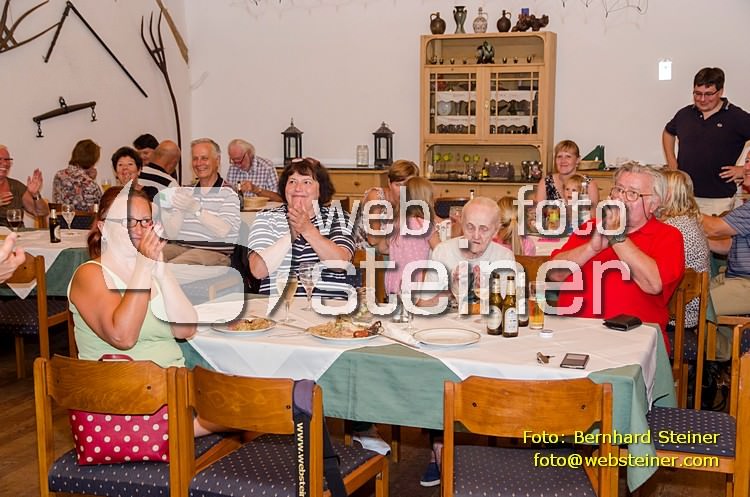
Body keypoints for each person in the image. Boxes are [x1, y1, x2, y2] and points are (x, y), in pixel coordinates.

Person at [67, 186, 216, 436]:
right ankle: (175, 433)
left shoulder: (151, 269)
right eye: (127, 222)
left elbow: (186, 329)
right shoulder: (89, 274)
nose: (138, 229)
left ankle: (180, 431)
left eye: (145, 221)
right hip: (124, 401)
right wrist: (143, 268)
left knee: (249, 402)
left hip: (172, 392)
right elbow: (123, 336)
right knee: (244, 410)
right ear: (103, 228)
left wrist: (163, 273)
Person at [549, 163, 685, 353]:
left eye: (632, 193)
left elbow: (653, 284)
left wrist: (617, 236)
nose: (621, 198)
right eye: (618, 190)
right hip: (570, 334)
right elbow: (554, 274)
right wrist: (591, 248)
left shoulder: (668, 236)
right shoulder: (590, 227)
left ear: (653, 204)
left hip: (631, 340)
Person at [247, 157, 355, 298]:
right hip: (278, 305)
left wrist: (307, 229)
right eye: (292, 181)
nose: (298, 188)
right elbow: (258, 270)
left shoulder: (338, 217)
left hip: (328, 305)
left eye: (306, 182)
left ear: (320, 189)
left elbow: (341, 264)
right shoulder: (267, 218)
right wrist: (291, 234)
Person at [662, 67, 750, 215]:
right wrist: (672, 162)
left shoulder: (736, 117)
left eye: (708, 94)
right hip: (683, 195)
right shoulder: (684, 114)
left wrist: (744, 170)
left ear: (720, 92)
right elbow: (668, 133)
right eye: (697, 93)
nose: (702, 99)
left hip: (717, 199)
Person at [701, 150, 750, 359]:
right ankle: (727, 358)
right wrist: (699, 241)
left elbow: (714, 228)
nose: (746, 167)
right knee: (692, 296)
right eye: (747, 161)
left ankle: (720, 358)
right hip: (734, 278)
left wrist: (682, 208)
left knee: (692, 306)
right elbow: (729, 245)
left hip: (746, 284)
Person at [159, 138, 240, 266]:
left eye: (204, 158)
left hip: (213, 253)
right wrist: (165, 209)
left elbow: (223, 230)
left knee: (172, 268)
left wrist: (196, 209)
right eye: (195, 159)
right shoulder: (187, 191)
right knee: (145, 257)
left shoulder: (229, 193)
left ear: (217, 160)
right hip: (182, 248)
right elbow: (172, 234)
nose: (199, 163)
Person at [657, 170, 710, 335]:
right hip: (689, 311)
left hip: (678, 315)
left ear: (668, 194)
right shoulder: (688, 220)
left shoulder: (673, 229)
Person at [368, 176, 440, 297]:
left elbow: (382, 248)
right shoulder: (426, 226)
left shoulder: (395, 224)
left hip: (394, 282)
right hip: (417, 283)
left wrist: (399, 248)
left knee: (398, 307)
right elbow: (440, 251)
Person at [354, 159, 420, 249]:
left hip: (394, 251)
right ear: (389, 182)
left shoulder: (413, 199)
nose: (403, 190)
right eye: (398, 185)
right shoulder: (376, 196)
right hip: (366, 253)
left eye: (407, 185)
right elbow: (373, 240)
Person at [534, 140, 599, 206]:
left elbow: (593, 211)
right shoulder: (546, 182)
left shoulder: (588, 184)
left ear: (577, 160)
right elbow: (537, 210)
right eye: (559, 156)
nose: (563, 161)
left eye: (568, 156)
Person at [0, 144, 49, 223]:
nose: (5, 163)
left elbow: (42, 213)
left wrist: (35, 194)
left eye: (7, 160)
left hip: (16, 230)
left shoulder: (16, 186)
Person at [53, 139, 103, 211]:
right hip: (85, 219)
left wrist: (90, 178)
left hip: (61, 218)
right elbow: (98, 210)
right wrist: (91, 180)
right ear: (93, 161)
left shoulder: (59, 175)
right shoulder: (90, 184)